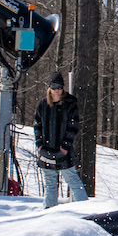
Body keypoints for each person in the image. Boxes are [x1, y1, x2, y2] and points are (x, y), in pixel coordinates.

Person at [32, 71, 86, 209]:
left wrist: (65, 146)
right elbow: (37, 126)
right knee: (50, 183)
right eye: (54, 87)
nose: (57, 91)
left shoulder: (70, 103)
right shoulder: (43, 105)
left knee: (72, 179)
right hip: (46, 149)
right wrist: (39, 145)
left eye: (60, 87)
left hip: (63, 150)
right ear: (49, 88)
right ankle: (49, 210)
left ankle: (85, 208)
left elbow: (73, 126)